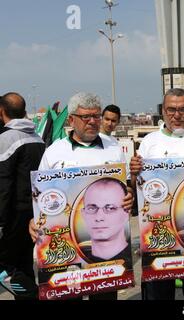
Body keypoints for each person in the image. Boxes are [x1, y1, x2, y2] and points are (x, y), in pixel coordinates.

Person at [29, 92, 133, 300]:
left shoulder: (113, 147)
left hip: (106, 245)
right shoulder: (54, 152)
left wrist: (129, 196)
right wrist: (34, 219)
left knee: (104, 296)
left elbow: (126, 186)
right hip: (66, 244)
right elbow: (40, 194)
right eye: (86, 117)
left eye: (96, 116)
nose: (93, 122)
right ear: (71, 120)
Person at [130, 88, 184, 300]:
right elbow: (137, 187)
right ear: (163, 111)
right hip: (160, 236)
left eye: (183, 109)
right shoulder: (150, 141)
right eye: (171, 110)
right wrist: (133, 173)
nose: (177, 115)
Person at [0, 93, 45, 300]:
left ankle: (32, 294)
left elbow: (4, 184)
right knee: (25, 264)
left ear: (2, 111)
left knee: (6, 269)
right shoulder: (37, 137)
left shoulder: (5, 138)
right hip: (31, 215)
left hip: (12, 217)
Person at [81, 178, 132, 269]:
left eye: (110, 208)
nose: (99, 218)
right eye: (92, 208)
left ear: (127, 213)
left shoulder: (139, 258)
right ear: (83, 214)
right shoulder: (76, 261)